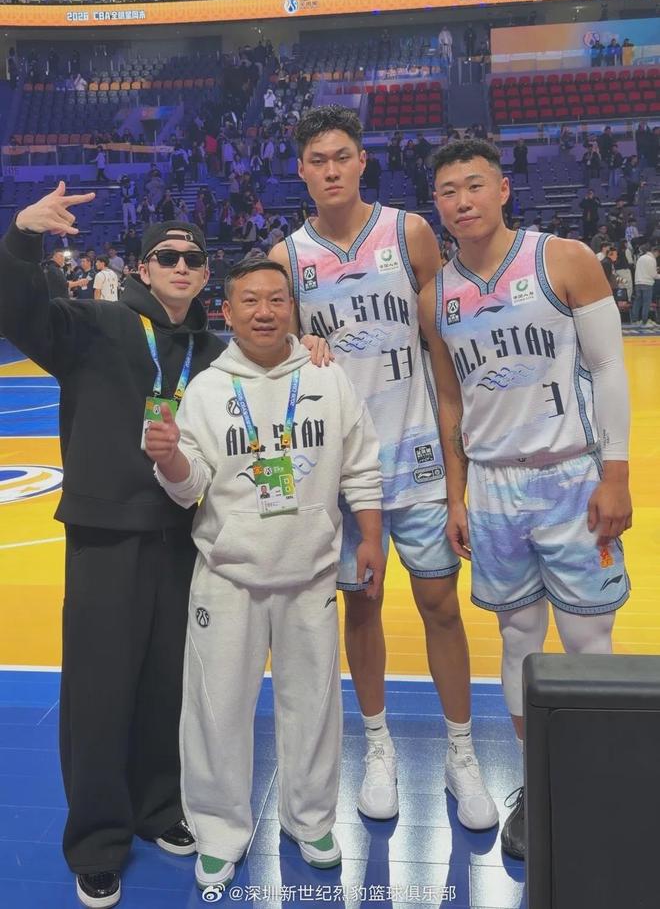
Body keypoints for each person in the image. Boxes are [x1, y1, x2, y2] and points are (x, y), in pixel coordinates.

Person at [270, 105, 497, 831]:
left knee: (440, 606)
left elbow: (445, 349)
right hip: (342, 473)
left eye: (342, 155)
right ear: (301, 171)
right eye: (317, 160)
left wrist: (460, 476)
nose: (331, 169)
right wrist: (297, 348)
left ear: (362, 160)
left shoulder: (409, 233)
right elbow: (276, 355)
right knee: (361, 608)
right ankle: (378, 747)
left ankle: (462, 752)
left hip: (420, 456)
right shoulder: (288, 257)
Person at [0, 188, 226, 908]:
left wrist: (310, 344)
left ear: (204, 274)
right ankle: (98, 840)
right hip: (106, 535)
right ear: (143, 267)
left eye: (193, 258)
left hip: (183, 536)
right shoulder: (95, 323)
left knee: (167, 685)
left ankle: (159, 808)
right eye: (167, 256)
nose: (181, 266)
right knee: (99, 694)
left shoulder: (214, 352)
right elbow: (18, 313)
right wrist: (23, 238)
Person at [145, 258, 385, 893]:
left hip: (310, 572)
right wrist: (169, 460)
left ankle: (311, 820)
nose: (264, 311)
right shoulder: (206, 390)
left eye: (277, 299)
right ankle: (219, 832)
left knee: (313, 707)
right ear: (227, 311)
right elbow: (189, 487)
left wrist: (370, 536)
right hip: (228, 575)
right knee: (216, 710)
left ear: (293, 310)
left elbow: (361, 464)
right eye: (250, 300)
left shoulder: (328, 377)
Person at [422, 138, 632, 861]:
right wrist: (456, 495)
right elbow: (450, 402)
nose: (463, 201)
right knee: (517, 638)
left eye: (474, 184)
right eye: (448, 191)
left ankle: (595, 780)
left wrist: (616, 473)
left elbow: (610, 367)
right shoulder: (434, 297)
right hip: (492, 486)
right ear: (437, 204)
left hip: (572, 476)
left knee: (587, 640)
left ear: (503, 188)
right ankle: (538, 780)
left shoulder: (564, 259)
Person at [631, 244, 659, 325]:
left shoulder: (641, 258)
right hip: (647, 283)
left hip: (638, 283)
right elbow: (653, 275)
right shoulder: (652, 259)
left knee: (637, 302)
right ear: (656, 252)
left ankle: (634, 320)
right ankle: (644, 321)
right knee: (646, 303)